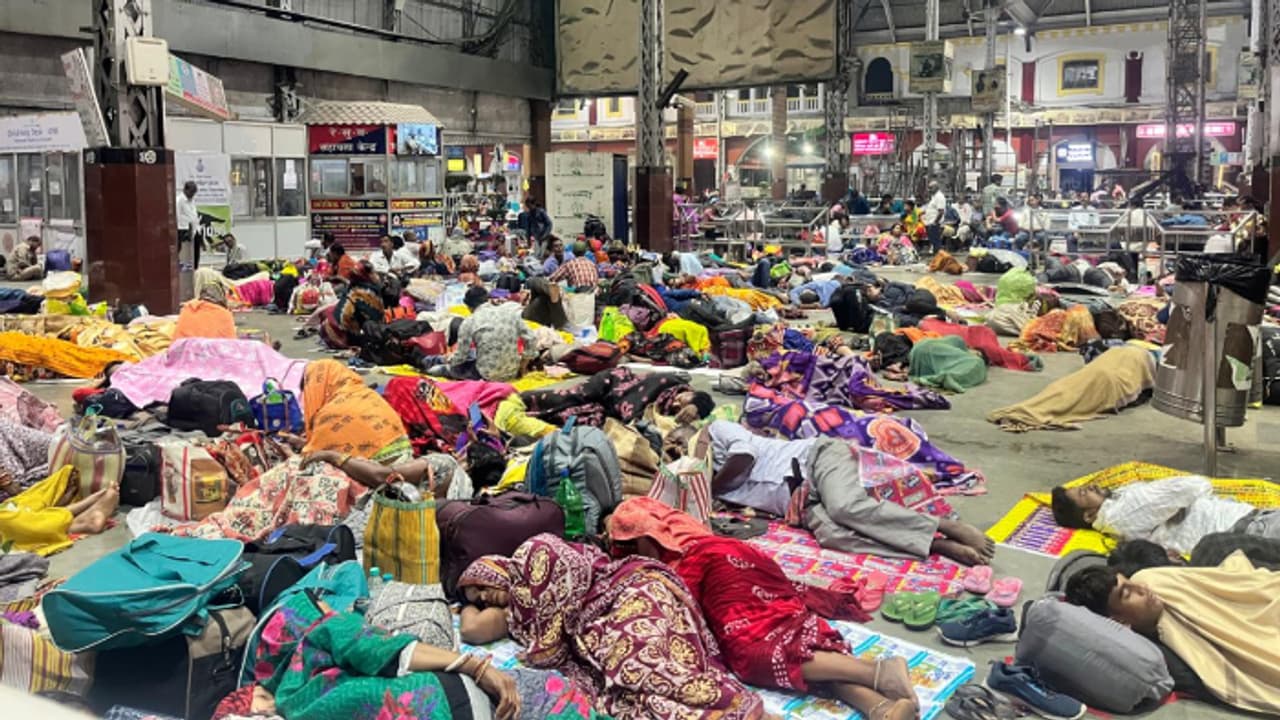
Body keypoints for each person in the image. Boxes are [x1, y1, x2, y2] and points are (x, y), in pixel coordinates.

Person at [607, 498, 920, 720]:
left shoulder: (629, 515)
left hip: (716, 566)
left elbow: (651, 541)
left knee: (751, 651)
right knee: (788, 642)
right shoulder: (668, 512)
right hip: (745, 557)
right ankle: (881, 708)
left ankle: (878, 671)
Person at [458, 534, 765, 720]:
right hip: (614, 613)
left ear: (496, 569)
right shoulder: (519, 612)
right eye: (480, 600)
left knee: (644, 667)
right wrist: (467, 604)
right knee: (634, 689)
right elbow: (472, 630)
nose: (485, 597)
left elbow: (570, 571)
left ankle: (729, 705)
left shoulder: (531, 555)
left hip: (634, 593)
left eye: (482, 586)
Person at [245, 591, 605, 720]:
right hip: (451, 699)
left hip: (451, 708)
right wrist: (475, 665)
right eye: (320, 603)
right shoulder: (326, 630)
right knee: (554, 692)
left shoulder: (294, 699)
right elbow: (380, 649)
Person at [672, 421, 994, 565]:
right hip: (800, 502)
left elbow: (746, 458)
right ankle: (935, 546)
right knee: (834, 537)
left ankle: (942, 525)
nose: (674, 446)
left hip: (816, 460)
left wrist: (709, 488)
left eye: (675, 439)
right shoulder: (705, 475)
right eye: (670, 449)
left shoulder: (715, 432)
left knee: (844, 507)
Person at [1064, 555, 1280, 715]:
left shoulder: (1150, 579)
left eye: (1128, 581)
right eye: (1127, 594)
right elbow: (1220, 664)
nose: (1142, 588)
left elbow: (1234, 584)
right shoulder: (1157, 644)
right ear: (1118, 620)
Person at [1050, 475, 1279, 555]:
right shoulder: (1124, 512)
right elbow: (1196, 486)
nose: (1091, 487)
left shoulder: (1120, 505)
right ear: (1089, 516)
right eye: (1083, 493)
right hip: (1251, 528)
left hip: (1250, 526)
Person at [293, 359, 411, 465]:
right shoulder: (365, 393)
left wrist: (289, 453)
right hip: (406, 457)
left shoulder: (330, 414)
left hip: (378, 468)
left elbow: (310, 458)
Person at [521, 366, 715, 428]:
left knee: (570, 418)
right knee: (569, 396)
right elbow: (705, 399)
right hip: (612, 384)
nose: (675, 402)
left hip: (607, 409)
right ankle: (522, 398)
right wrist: (694, 405)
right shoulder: (670, 381)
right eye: (683, 399)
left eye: (676, 408)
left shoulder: (663, 415)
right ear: (689, 391)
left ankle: (526, 415)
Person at [0, 467, 120, 554]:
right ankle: (78, 523)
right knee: (11, 519)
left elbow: (17, 495)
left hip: (13, 506)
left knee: (65, 473)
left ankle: (77, 512)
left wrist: (8, 485)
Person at [447, 287, 537, 382]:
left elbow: (461, 357)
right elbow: (531, 338)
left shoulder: (470, 321)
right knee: (475, 353)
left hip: (486, 375)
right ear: (488, 300)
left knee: (452, 368)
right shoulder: (509, 313)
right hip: (512, 372)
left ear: (469, 307)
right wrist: (523, 365)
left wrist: (449, 361)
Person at [320, 260, 384, 349]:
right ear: (366, 275)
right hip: (343, 337)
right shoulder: (366, 293)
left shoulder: (353, 287)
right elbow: (377, 319)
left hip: (328, 331)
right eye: (373, 272)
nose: (376, 276)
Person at [176, 180, 201, 268]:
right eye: (191, 192)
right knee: (186, 257)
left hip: (195, 230)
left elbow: (193, 215)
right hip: (184, 231)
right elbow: (177, 216)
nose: (193, 194)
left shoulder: (192, 200)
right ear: (186, 190)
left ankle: (195, 271)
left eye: (194, 192)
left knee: (196, 255)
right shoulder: (179, 200)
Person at [922, 181, 947, 254]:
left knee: (937, 243)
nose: (929, 190)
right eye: (929, 188)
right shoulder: (934, 197)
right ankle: (936, 257)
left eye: (931, 188)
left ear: (936, 187)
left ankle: (940, 257)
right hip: (930, 223)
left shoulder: (939, 196)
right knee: (933, 242)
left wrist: (935, 222)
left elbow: (941, 211)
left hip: (936, 224)